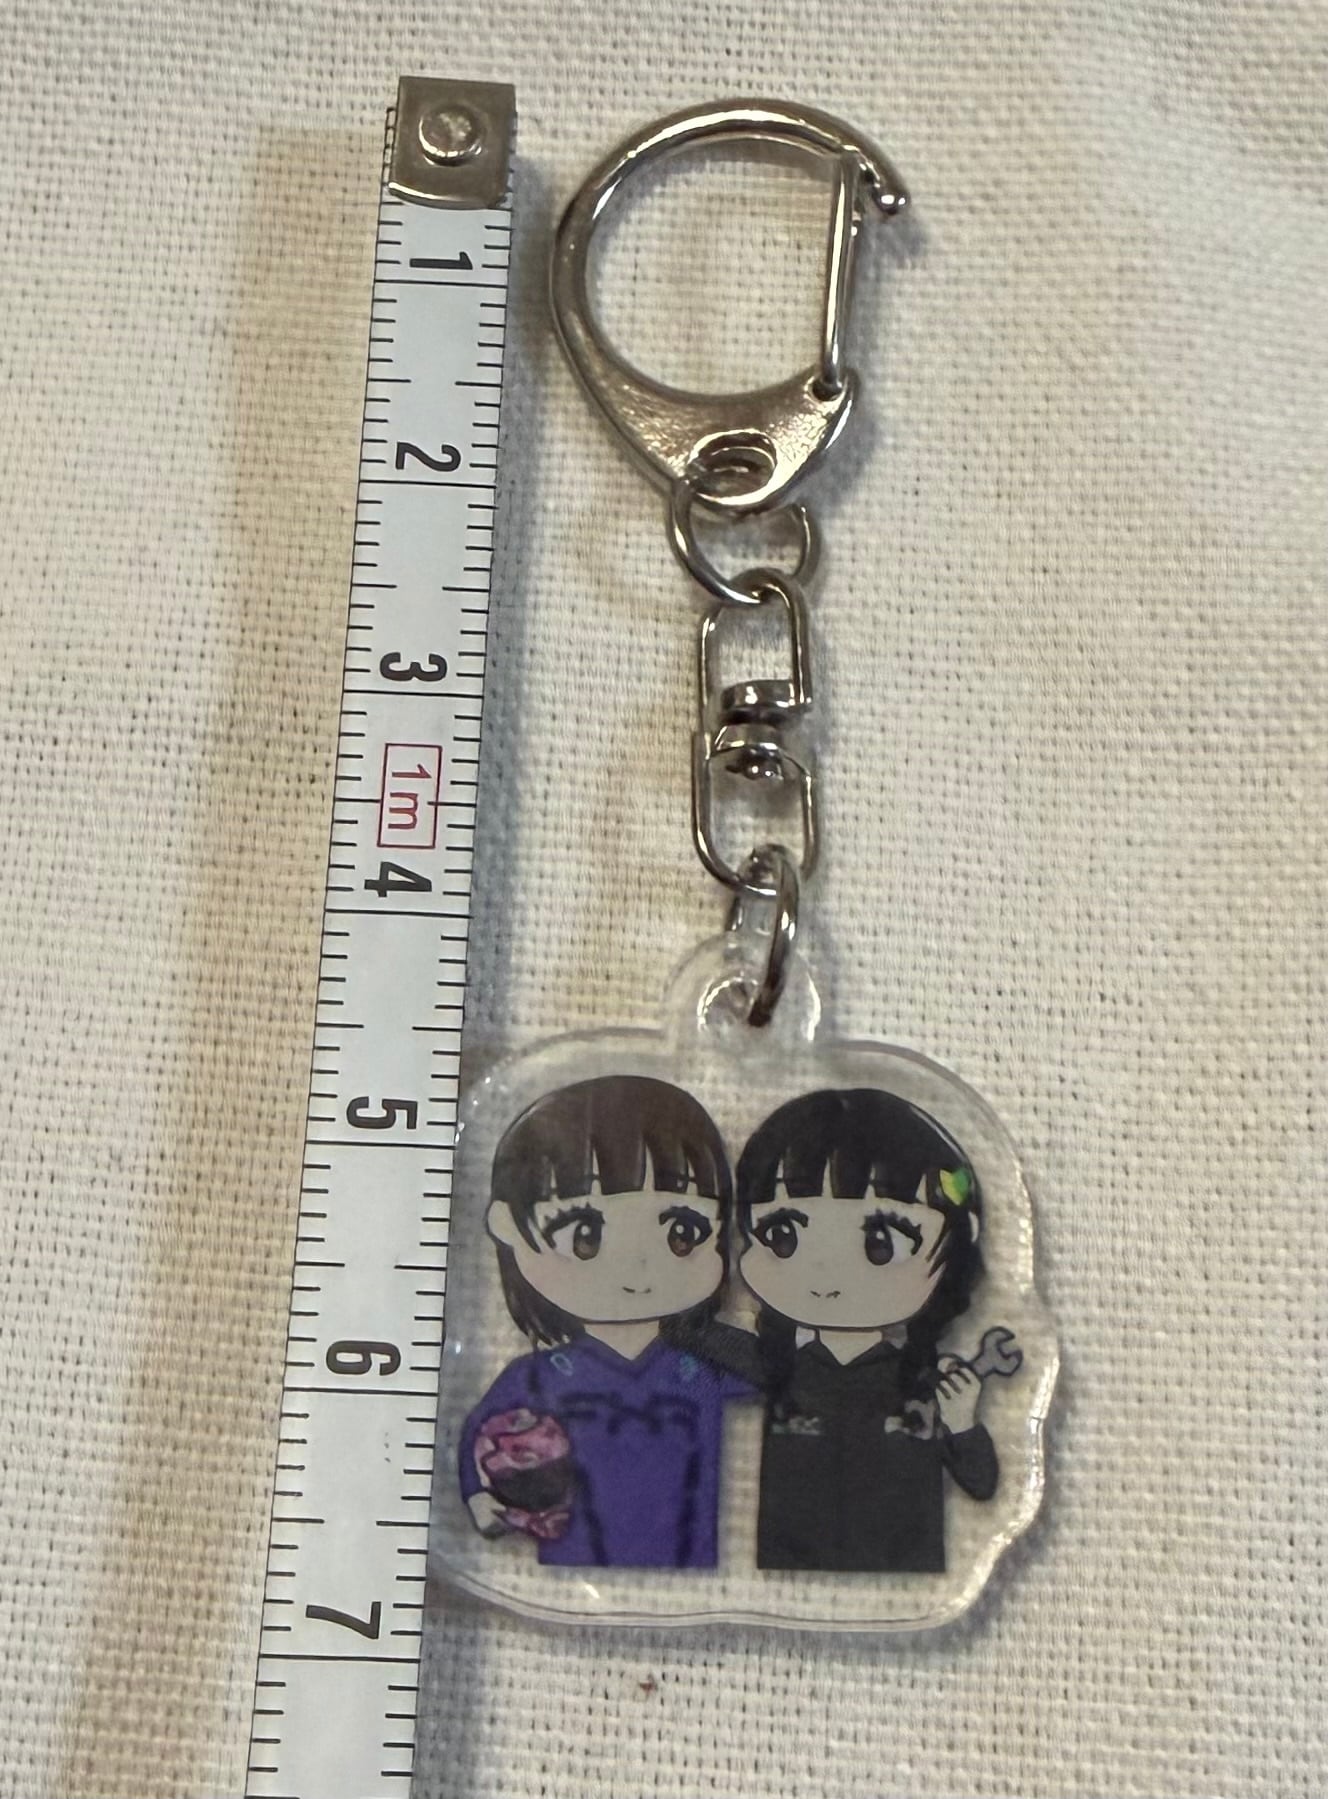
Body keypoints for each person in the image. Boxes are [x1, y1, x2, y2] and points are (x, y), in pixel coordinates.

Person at [457, 1075, 754, 1569]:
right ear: (508, 1228)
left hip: (685, 1554)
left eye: (682, 1232)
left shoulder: (705, 1365)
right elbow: (478, 1435)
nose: (637, 1265)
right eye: (585, 1235)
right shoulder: (538, 1377)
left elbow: (792, 1376)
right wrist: (479, 1496)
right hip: (574, 1552)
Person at [732, 1088, 1001, 1573]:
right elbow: (686, 1362)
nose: (826, 1272)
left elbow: (982, 1484)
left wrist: (963, 1422)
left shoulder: (928, 1382)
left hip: (904, 1573)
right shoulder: (772, 1367)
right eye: (783, 1235)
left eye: (882, 1243)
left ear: (953, 1250)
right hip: (790, 1569)